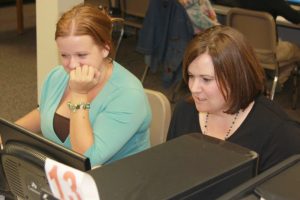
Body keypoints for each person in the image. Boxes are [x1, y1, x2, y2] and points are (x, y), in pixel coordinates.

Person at [13, 4, 152, 167]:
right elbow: (44, 112)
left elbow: (87, 159)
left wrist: (79, 94)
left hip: (117, 182)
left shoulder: (128, 94)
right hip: (66, 176)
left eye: (81, 55)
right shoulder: (57, 76)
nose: (72, 65)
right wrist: (7, 133)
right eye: (64, 55)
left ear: (105, 48)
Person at [167, 25, 300, 173]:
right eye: (191, 76)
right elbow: (170, 172)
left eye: (206, 79)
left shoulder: (279, 132)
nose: (194, 88)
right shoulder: (184, 112)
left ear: (236, 78)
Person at [236, 0, 300, 87]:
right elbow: (296, 18)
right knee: (296, 49)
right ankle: (276, 83)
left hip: (245, 50)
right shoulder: (275, 2)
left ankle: (270, 81)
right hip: (269, 54)